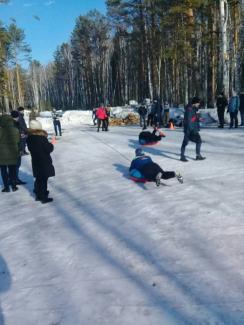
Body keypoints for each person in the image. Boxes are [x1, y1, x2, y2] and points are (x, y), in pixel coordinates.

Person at [27, 120, 55, 203]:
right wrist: (52, 143)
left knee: (39, 178)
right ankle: (43, 196)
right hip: (44, 161)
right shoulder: (41, 138)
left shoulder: (30, 137)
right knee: (43, 178)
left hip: (35, 160)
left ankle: (38, 193)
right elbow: (48, 149)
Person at [180, 97, 205, 162]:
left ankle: (198, 155)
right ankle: (182, 156)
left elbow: (193, 118)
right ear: (194, 103)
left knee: (199, 141)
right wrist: (196, 118)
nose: (198, 104)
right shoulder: (189, 109)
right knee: (185, 142)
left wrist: (198, 118)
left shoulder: (193, 109)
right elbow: (189, 120)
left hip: (193, 128)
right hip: (190, 129)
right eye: (198, 103)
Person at [0, 115, 20, 192]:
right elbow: (18, 140)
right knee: (12, 170)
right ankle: (14, 186)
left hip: (2, 154)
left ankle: (6, 187)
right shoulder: (15, 130)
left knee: (3, 171)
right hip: (12, 153)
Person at [10, 110, 27, 185]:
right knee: (15, 164)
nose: (17, 118)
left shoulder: (16, 123)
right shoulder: (11, 124)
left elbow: (21, 129)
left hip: (18, 146)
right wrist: (20, 135)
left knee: (17, 164)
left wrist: (23, 134)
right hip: (14, 147)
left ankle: (14, 178)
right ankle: (14, 179)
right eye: (16, 117)